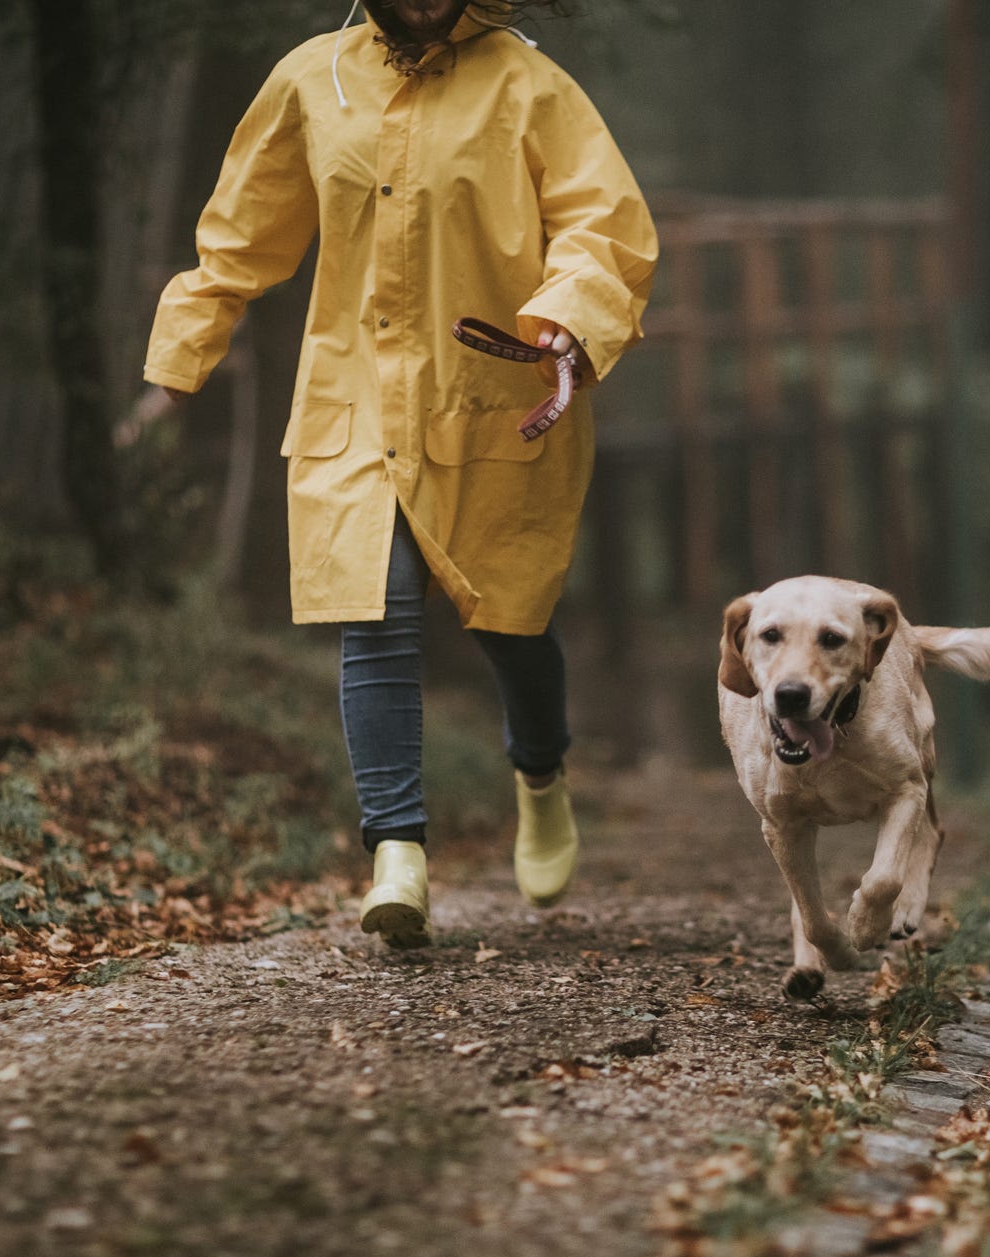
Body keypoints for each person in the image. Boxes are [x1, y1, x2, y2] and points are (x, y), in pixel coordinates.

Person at [144, 0, 657, 946]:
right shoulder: (312, 79)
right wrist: (183, 358)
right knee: (374, 615)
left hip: (492, 396)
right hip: (355, 399)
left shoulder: (529, 84)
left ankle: (539, 772)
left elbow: (603, 225)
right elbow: (239, 235)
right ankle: (397, 855)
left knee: (510, 625)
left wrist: (569, 314)